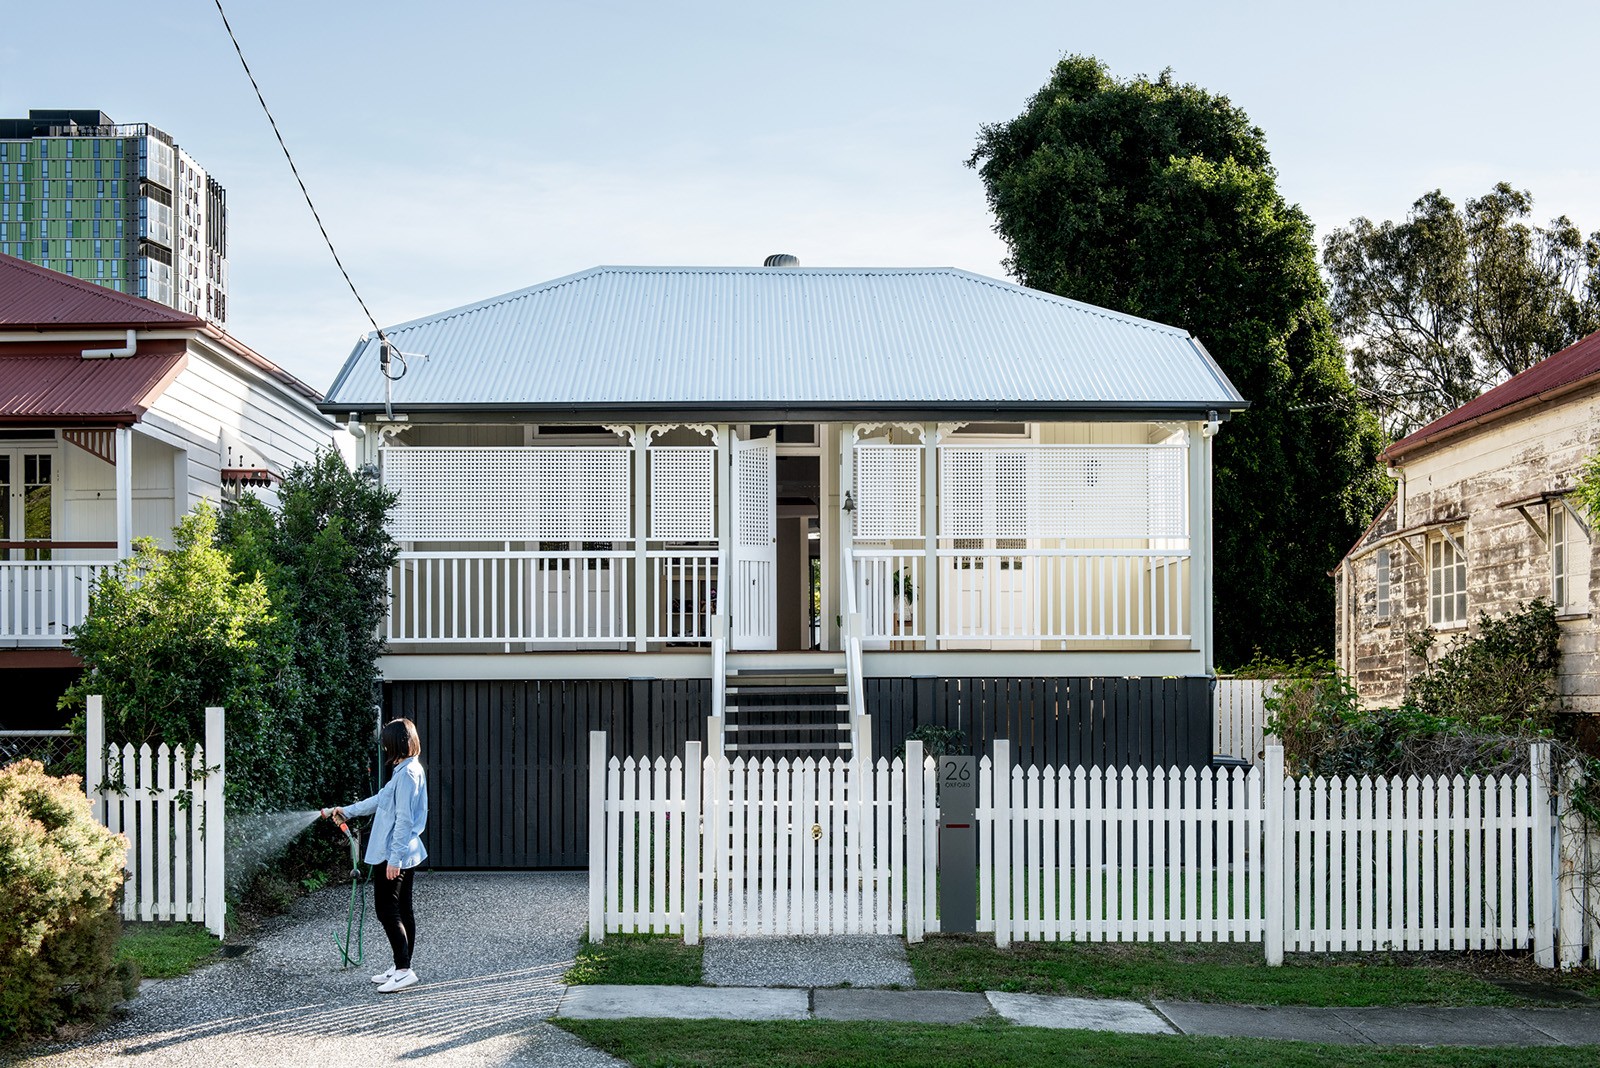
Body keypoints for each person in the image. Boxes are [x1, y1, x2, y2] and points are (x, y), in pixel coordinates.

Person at [324, 717, 428, 992]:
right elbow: (380, 800)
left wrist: (394, 859)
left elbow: (404, 819)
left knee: (386, 910)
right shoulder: (406, 769)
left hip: (396, 851)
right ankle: (400, 965)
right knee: (403, 909)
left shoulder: (406, 775)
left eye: (386, 742)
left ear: (397, 742)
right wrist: (347, 810)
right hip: (403, 849)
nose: (383, 747)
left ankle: (404, 969)